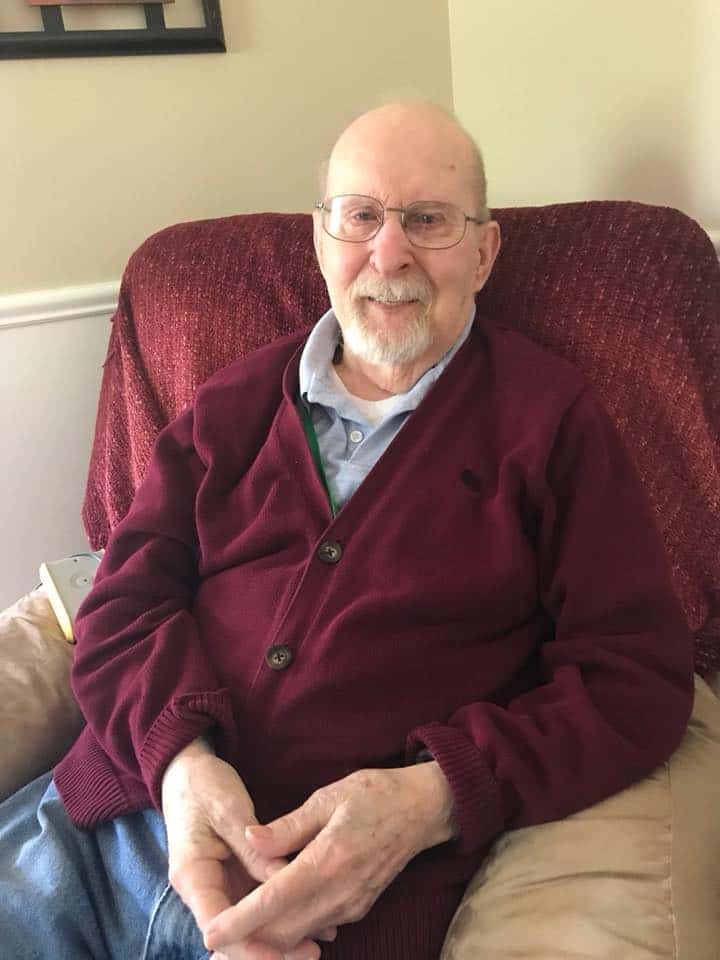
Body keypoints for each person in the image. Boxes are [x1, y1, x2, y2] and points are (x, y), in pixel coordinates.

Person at [0, 103, 694, 960]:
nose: (389, 251)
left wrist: (439, 794)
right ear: (324, 240)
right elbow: (124, 593)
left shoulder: (552, 422)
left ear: (484, 252)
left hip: (334, 906)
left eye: (428, 220)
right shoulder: (232, 403)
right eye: (360, 215)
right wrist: (177, 762)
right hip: (105, 829)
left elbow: (638, 677)